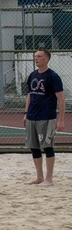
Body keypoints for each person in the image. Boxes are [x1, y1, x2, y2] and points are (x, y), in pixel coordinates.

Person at [23, 48, 65, 186]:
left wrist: (61, 119)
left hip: (46, 117)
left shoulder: (53, 76)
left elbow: (61, 99)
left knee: (47, 146)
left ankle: (49, 179)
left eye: (39, 56)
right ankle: (39, 177)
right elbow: (30, 95)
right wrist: (26, 113)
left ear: (46, 59)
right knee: (34, 147)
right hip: (32, 117)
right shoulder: (33, 75)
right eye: (35, 56)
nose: (36, 58)